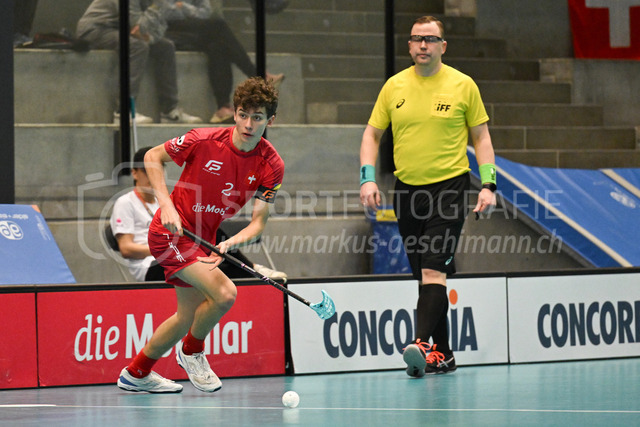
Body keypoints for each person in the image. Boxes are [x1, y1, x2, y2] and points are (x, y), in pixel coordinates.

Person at [117, 76, 284, 393]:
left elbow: (258, 224)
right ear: (234, 113)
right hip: (169, 232)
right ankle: (192, 351)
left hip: (202, 239)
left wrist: (228, 244)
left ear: (270, 120)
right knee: (225, 293)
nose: (249, 124)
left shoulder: (271, 165)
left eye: (257, 117)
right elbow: (152, 156)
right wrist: (166, 206)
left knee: (185, 317)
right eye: (243, 115)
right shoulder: (203, 139)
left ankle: (136, 373)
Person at [359, 16, 497, 377]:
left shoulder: (463, 85)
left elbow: (481, 137)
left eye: (431, 39)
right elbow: (371, 135)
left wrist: (489, 184)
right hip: (406, 191)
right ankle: (444, 355)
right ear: (409, 45)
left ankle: (420, 344)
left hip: (449, 189)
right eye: (417, 39)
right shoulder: (394, 86)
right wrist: (367, 179)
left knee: (434, 269)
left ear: (443, 46)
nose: (423, 45)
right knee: (427, 276)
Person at [110, 146, 287, 282]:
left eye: (158, 169)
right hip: (151, 266)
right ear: (134, 173)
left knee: (217, 253)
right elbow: (126, 249)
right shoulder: (125, 203)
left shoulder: (162, 201)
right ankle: (253, 270)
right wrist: (166, 247)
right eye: (145, 171)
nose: (151, 175)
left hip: (177, 253)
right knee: (215, 268)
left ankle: (253, 273)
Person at [76, 0, 202, 124]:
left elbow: (158, 27)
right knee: (138, 46)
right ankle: (123, 111)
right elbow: (136, 25)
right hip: (96, 29)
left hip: (121, 29)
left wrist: (150, 35)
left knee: (166, 47)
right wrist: (156, 8)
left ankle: (169, 111)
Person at [164, 0, 284, 124]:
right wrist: (189, 10)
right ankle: (258, 75)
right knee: (219, 26)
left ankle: (222, 107)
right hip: (169, 32)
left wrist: (183, 7)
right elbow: (165, 12)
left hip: (196, 31)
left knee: (218, 47)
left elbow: (206, 12)